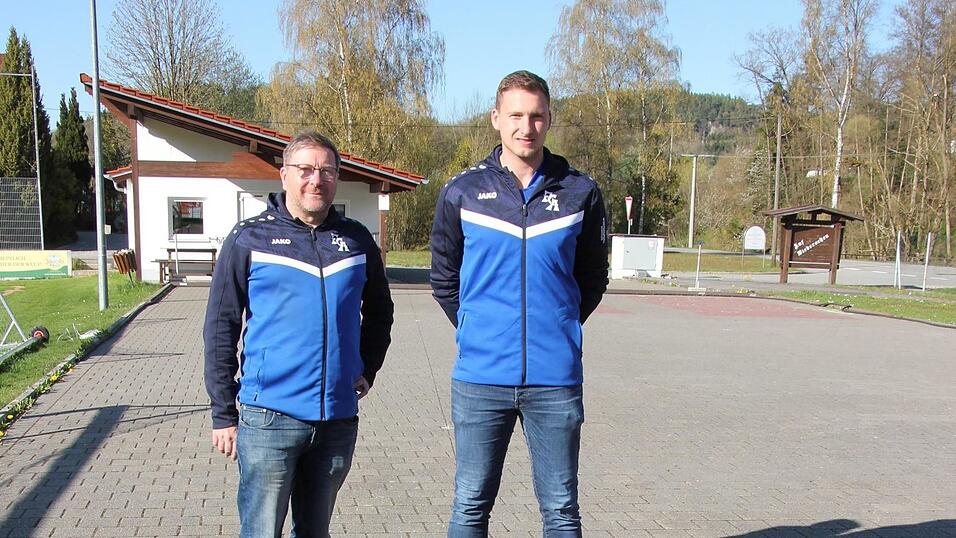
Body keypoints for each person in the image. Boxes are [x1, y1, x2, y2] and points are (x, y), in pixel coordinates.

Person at [430, 70, 609, 537]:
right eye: (515, 116)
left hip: (555, 379)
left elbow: (591, 279)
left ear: (549, 120)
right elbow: (444, 279)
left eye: (536, 116)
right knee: (469, 505)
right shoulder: (462, 191)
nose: (525, 127)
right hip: (480, 377)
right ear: (496, 118)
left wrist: (558, 321)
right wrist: (476, 325)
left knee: (561, 509)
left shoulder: (580, 192)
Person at [203, 130, 394, 537]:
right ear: (284, 175)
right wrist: (223, 411)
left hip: (336, 420)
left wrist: (367, 368)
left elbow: (380, 311)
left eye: (327, 170)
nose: (316, 179)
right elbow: (221, 326)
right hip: (269, 418)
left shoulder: (356, 240)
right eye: (305, 169)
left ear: (337, 177)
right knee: (261, 532)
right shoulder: (249, 238)